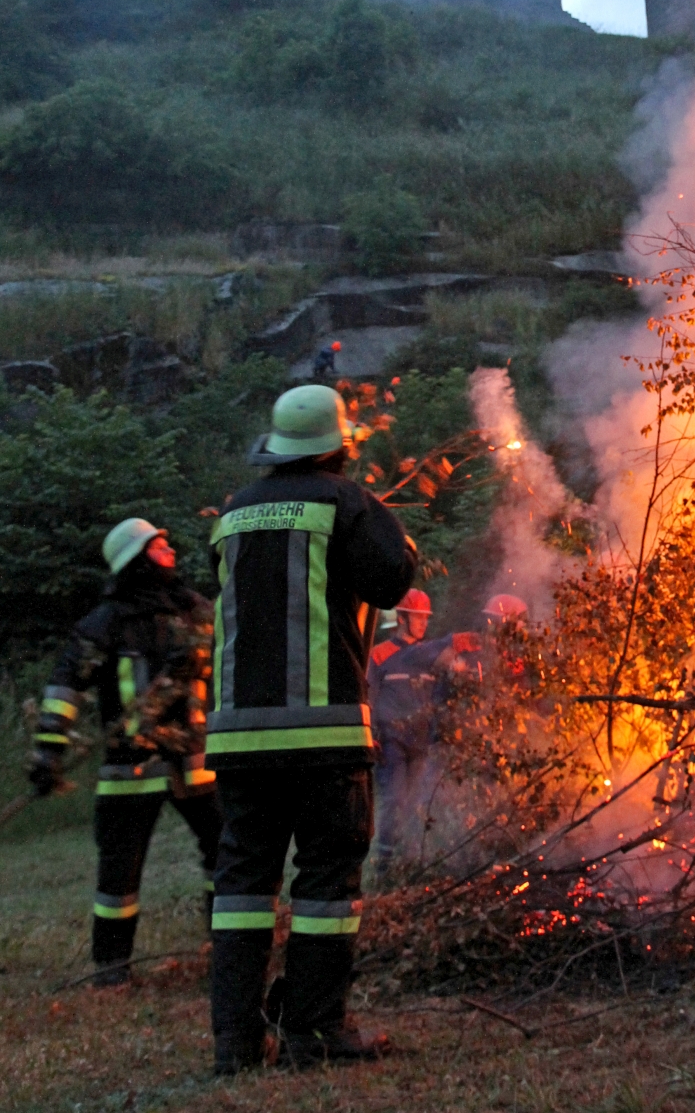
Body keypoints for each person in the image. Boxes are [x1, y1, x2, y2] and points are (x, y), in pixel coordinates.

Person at [207, 383, 415, 1075]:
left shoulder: (231, 516)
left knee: (241, 887)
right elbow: (394, 581)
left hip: (238, 741)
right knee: (326, 883)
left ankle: (236, 1043)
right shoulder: (346, 504)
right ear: (340, 444)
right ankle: (316, 1031)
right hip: (323, 738)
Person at [28, 518, 221, 987]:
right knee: (119, 870)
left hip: (195, 762)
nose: (169, 549)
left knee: (226, 853)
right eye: (159, 545)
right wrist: (48, 751)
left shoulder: (194, 611)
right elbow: (65, 686)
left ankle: (225, 948)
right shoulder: (105, 623)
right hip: (129, 765)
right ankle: (112, 969)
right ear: (136, 558)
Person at [367, 591, 481, 873]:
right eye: (417, 617)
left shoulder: (430, 655)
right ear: (402, 618)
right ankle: (383, 866)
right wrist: (371, 735)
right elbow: (369, 696)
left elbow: (442, 694)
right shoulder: (381, 655)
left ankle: (407, 863)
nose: (422, 624)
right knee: (394, 799)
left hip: (420, 743)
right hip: (391, 741)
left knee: (416, 805)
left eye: (425, 618)